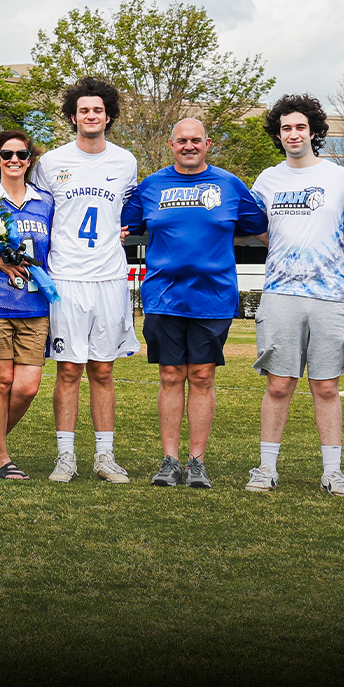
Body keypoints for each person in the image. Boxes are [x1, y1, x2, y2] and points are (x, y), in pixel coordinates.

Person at [247, 95, 344, 497]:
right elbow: (257, 226)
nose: (294, 134)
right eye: (286, 128)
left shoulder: (339, 178)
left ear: (314, 132)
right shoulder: (267, 180)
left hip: (333, 296)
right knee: (278, 384)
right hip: (281, 293)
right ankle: (265, 469)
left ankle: (333, 473)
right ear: (279, 134)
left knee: (326, 387)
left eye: (300, 127)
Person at [122, 118, 267, 489]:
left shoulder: (230, 185)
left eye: (196, 140)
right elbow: (120, 225)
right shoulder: (151, 186)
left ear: (208, 144)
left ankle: (196, 462)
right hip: (163, 296)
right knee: (170, 375)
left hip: (213, 296)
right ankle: (170, 460)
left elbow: (262, 227)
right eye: (182, 140)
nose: (189, 145)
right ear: (171, 144)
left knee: (202, 376)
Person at [31, 76, 138, 483]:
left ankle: (105, 457)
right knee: (69, 370)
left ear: (108, 116)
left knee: (104, 370)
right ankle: (66, 456)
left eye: (97, 110)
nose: (90, 116)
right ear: (73, 117)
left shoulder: (125, 161)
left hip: (109, 278)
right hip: (66, 279)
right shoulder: (51, 162)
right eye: (83, 110)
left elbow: (128, 212)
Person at [0, 129, 54, 480]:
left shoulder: (46, 202)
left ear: (30, 161)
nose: (13, 160)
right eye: (6, 155)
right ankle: (1, 457)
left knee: (28, 386)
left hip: (34, 305)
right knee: (1, 381)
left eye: (21, 155)